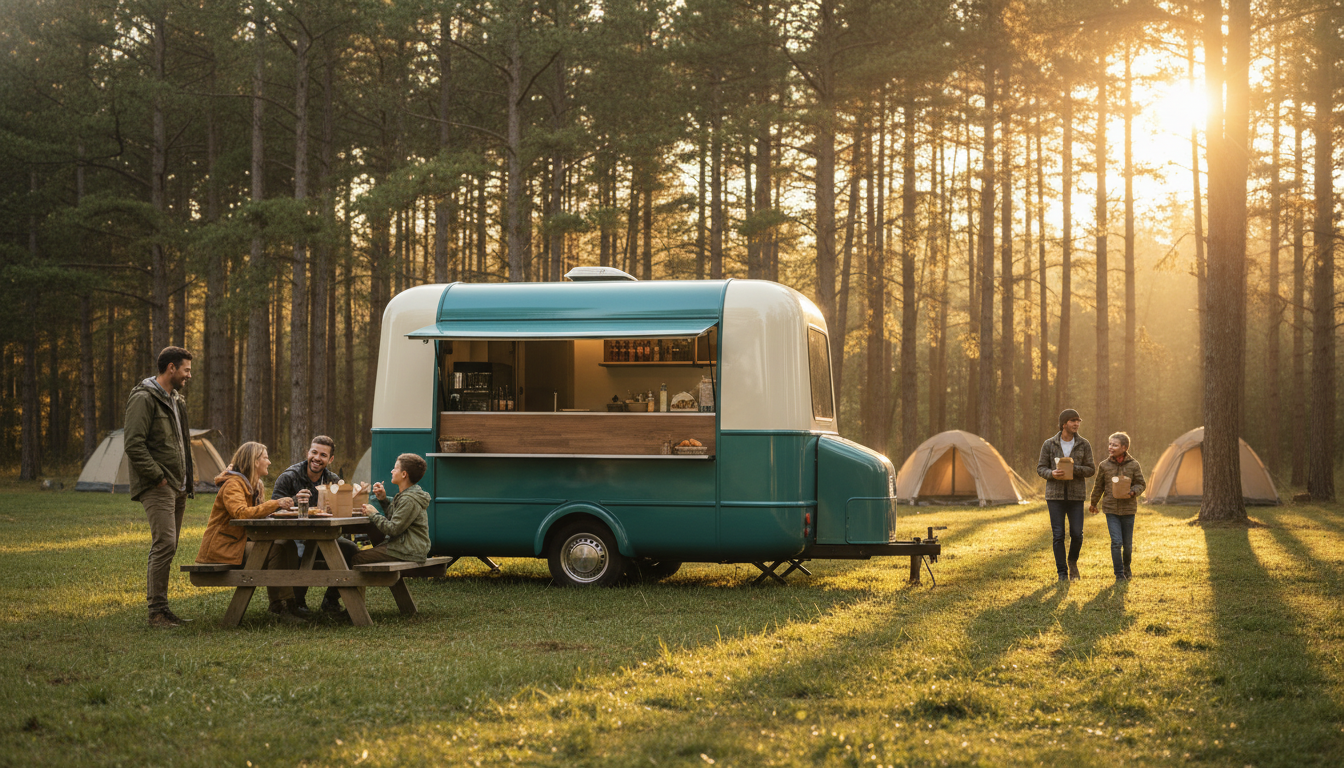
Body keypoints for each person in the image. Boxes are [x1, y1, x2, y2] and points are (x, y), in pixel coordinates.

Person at [124, 346, 195, 628]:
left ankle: (163, 610)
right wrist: (158, 477)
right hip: (158, 484)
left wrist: (184, 480)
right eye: (186, 370)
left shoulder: (176, 400)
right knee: (164, 542)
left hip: (177, 484)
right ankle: (156, 613)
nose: (189, 375)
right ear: (171, 369)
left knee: (171, 543)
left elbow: (181, 444)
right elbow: (133, 444)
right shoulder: (144, 398)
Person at [197, 442, 309, 620]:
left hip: (241, 542)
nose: (269, 462)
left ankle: (289, 602)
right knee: (276, 550)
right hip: (224, 547)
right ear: (254, 461)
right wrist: (275, 504)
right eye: (265, 457)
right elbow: (241, 514)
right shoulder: (233, 485)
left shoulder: (254, 485)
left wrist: (278, 511)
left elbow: (257, 516)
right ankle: (279, 605)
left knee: (286, 544)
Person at [271, 435, 356, 612]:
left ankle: (331, 600)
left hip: (323, 538)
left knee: (352, 550)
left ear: (330, 459)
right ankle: (296, 601)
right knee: (298, 551)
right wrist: (294, 501)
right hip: (293, 539)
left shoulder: (332, 480)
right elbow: (272, 511)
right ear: (307, 452)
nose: (317, 458)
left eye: (323, 455)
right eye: (314, 452)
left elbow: (343, 510)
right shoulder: (288, 477)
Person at [1037, 408, 1095, 582]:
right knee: (1058, 535)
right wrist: (1052, 473)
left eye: (1078, 420)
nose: (1076, 424)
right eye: (1073, 421)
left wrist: (1072, 468)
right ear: (1064, 424)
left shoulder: (1084, 444)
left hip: (1076, 496)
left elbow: (1091, 469)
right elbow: (1040, 468)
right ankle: (1062, 573)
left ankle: (1072, 562)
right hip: (1054, 497)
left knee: (1077, 534)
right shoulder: (1049, 444)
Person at [352, 453, 431, 566]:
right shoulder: (408, 495)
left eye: (395, 468)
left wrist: (373, 514)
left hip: (408, 550)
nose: (392, 471)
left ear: (404, 474)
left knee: (357, 559)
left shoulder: (409, 500)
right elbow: (396, 517)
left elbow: (393, 529)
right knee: (361, 553)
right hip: (406, 547)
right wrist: (383, 499)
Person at [1089, 432, 1146, 581]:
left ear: (1124, 447)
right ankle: (1119, 574)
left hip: (1128, 509)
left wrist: (1134, 491)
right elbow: (1098, 486)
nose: (1110, 447)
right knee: (1116, 542)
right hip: (1111, 509)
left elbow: (1141, 483)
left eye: (1114, 445)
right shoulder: (1104, 465)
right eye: (1110, 444)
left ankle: (1127, 567)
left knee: (1127, 545)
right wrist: (1093, 503)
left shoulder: (1134, 465)